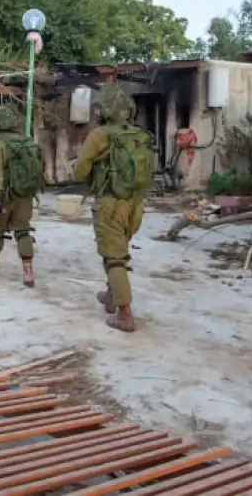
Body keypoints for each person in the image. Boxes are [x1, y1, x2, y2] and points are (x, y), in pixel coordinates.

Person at [72, 84, 155, 332]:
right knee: (119, 250)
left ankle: (125, 313)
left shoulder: (100, 134)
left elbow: (79, 173)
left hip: (110, 203)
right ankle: (112, 296)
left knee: (113, 256)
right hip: (135, 204)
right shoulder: (138, 134)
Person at [0, 104, 45, 287]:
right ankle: (28, 272)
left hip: (5, 194)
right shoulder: (25, 141)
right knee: (22, 229)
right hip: (25, 194)